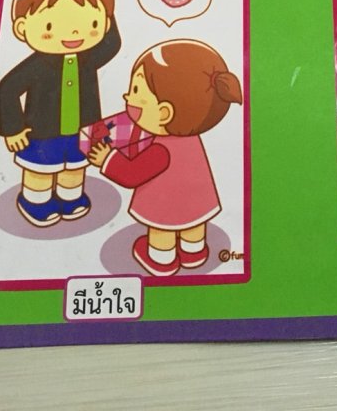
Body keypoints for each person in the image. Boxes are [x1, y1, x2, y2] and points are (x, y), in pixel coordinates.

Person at [88, 40, 242, 277]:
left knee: (163, 232)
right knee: (194, 227)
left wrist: (106, 159)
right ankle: (194, 252)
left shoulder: (161, 149)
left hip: (165, 206)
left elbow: (132, 175)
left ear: (163, 113)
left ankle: (161, 258)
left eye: (136, 91)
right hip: (198, 200)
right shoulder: (191, 138)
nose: (127, 96)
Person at [0, 0, 121, 227]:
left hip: (83, 129)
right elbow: (7, 89)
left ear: (105, 24)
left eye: (92, 24)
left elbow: (112, 44)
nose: (73, 33)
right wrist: (14, 129)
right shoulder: (36, 65)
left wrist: (105, 5)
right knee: (40, 170)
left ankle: (70, 197)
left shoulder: (90, 58)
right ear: (22, 28)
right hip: (42, 131)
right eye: (51, 27)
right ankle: (35, 201)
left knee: (75, 167)